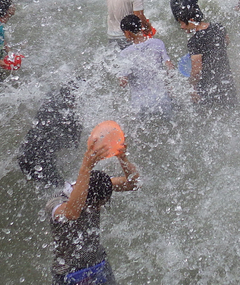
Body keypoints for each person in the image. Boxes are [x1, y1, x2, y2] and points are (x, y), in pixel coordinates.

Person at [47, 139, 139, 284]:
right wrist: (86, 167)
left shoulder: (98, 185)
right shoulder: (57, 202)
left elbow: (133, 183)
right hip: (68, 273)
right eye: (94, 205)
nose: (97, 209)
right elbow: (71, 214)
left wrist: (122, 158)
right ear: (85, 198)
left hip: (98, 264)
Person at [18, 82, 82, 189]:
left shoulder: (50, 100)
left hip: (23, 154)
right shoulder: (71, 119)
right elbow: (73, 145)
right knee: (61, 188)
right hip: (40, 162)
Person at [118, 14, 174, 118]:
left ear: (127, 32)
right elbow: (170, 67)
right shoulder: (158, 43)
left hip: (139, 104)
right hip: (161, 99)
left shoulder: (125, 53)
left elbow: (123, 83)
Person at [177, 9, 233, 105]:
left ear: (191, 20)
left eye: (182, 23)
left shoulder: (194, 41)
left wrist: (192, 88)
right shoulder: (218, 27)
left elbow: (197, 70)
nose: (181, 27)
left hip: (208, 87)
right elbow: (226, 42)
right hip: (226, 82)